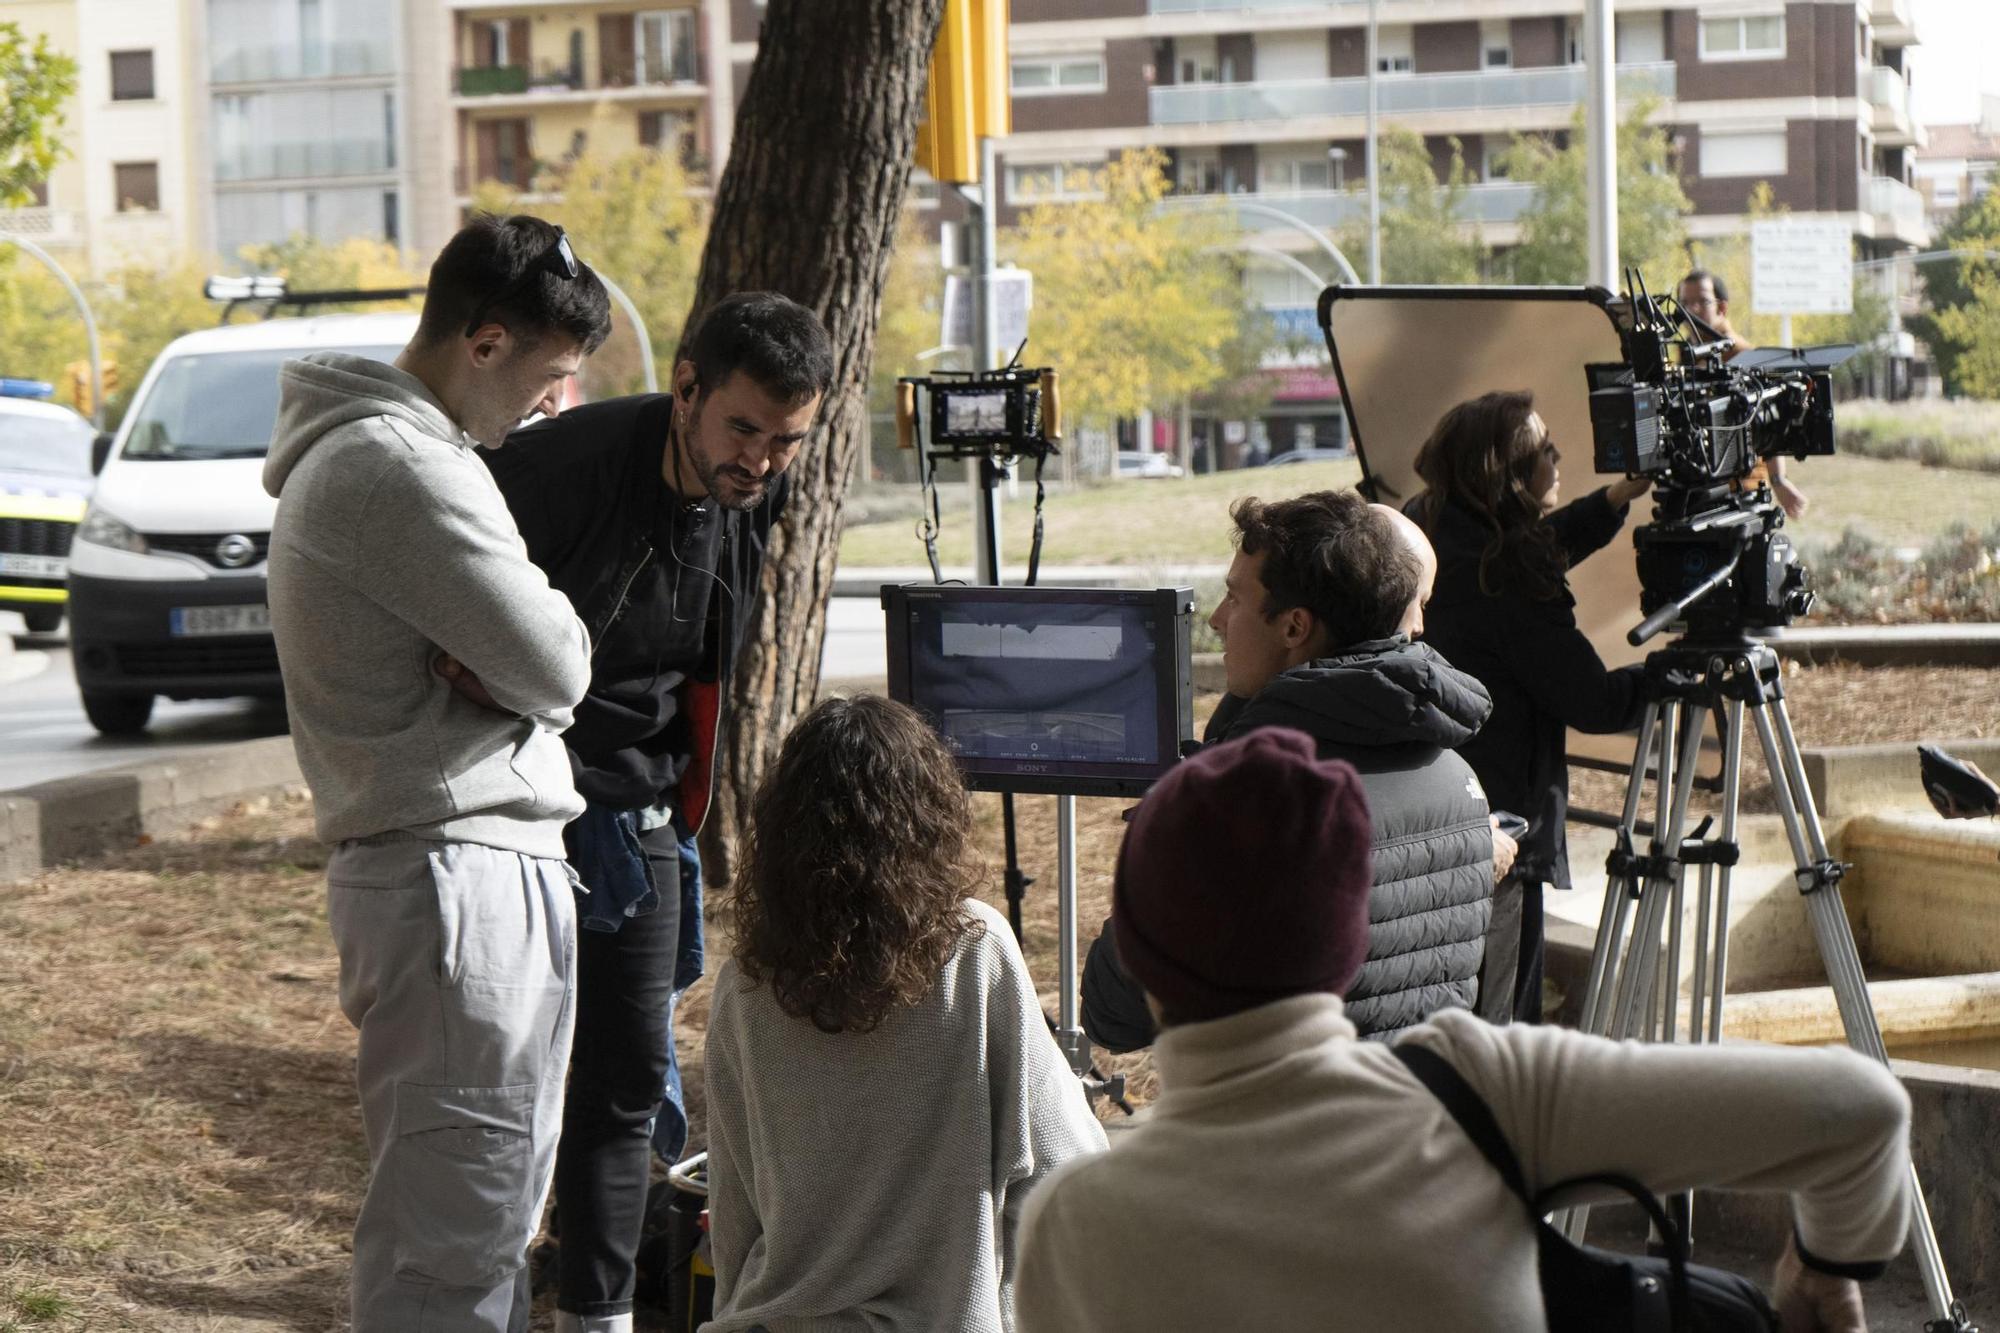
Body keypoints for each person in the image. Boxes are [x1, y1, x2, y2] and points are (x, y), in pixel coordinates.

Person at [1015, 728, 1914, 1333]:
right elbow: (1861, 1109)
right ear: (1344, 938)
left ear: (1137, 951)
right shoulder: (1481, 1089)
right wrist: (1824, 1271)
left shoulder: (1074, 1227)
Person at [263, 213, 613, 1330]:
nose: (553, 404)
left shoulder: (398, 455)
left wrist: (508, 660)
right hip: (455, 880)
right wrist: (526, 659)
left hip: (456, 877)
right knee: (455, 1250)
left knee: (473, 1228)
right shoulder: (401, 465)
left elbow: (527, 662)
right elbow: (559, 662)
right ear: (486, 341)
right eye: (549, 376)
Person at [482, 293, 834, 1333]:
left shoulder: (751, 492)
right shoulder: (554, 471)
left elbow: (708, 659)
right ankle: (488, 1293)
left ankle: (596, 1311)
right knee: (509, 1073)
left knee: (629, 1072)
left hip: (642, 808)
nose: (761, 461)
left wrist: (682, 808)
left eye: (786, 441)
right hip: (519, 799)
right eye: (742, 428)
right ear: (685, 386)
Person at [702, 695, 1106, 1332]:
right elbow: (1067, 1167)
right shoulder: (974, 950)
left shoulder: (744, 986)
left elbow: (732, 1209)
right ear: (928, 814)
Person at [1081, 488, 1505, 1048]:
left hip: (1278, 1129)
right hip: (1414, 1122)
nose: (1214, 619)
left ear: (1294, 627)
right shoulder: (1455, 773)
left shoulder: (1247, 805)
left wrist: (1160, 858)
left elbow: (1115, 1012)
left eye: (1234, 599)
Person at [1410, 391, 1651, 1024]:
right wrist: (1673, 674)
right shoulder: (1507, 576)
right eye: (1545, 450)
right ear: (1508, 475)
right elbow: (1591, 700)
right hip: (1501, 837)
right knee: (1499, 1028)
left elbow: (1535, 543)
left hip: (1431, 813)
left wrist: (1615, 499)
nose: (1559, 455)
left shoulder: (1433, 533)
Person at [1678, 267, 1809, 520]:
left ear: (1722, 308)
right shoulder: (1686, 355)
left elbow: (1768, 417)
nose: (1692, 310)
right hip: (1699, 490)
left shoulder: (1743, 355)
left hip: (1742, 490)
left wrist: (1779, 480)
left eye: (1702, 301)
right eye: (1685, 303)